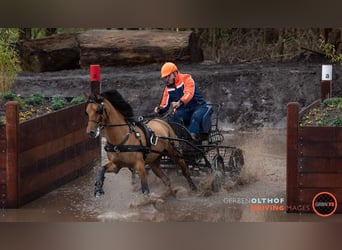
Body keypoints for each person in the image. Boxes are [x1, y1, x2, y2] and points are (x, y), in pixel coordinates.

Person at [154, 62, 208, 142]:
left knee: (195, 117)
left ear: (175, 73)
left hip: (199, 107)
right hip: (185, 110)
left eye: (168, 76)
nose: (167, 79)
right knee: (175, 117)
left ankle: (192, 139)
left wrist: (179, 102)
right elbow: (164, 104)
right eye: (165, 77)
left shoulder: (187, 79)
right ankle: (178, 139)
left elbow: (189, 93)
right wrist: (160, 109)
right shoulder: (167, 89)